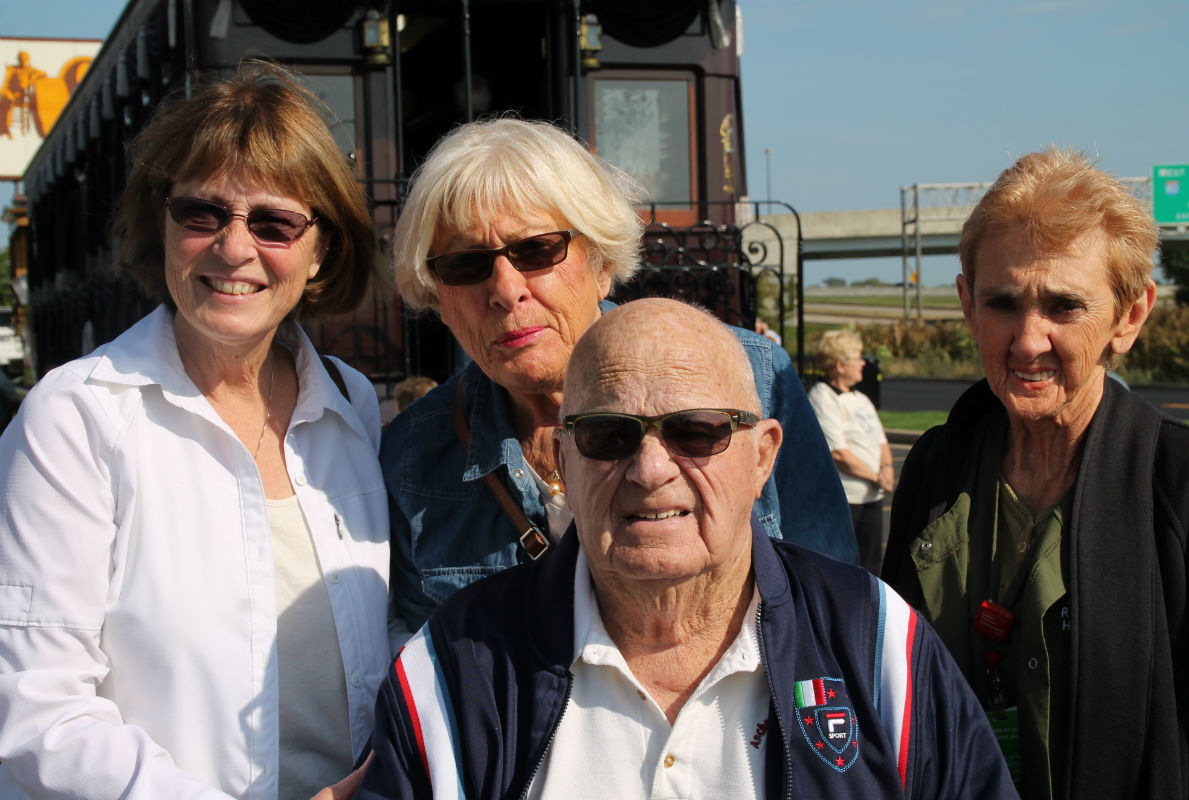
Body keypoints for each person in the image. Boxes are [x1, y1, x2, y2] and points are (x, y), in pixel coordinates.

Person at [355, 298, 1017, 799]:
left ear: (764, 458)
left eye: (696, 432)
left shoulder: (879, 649)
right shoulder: (455, 671)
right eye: (609, 435)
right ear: (563, 458)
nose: (650, 470)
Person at [0, 62, 393, 799]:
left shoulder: (352, 407)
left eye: (274, 222)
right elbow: (33, 708)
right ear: (165, 224)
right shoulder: (78, 419)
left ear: (321, 253)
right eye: (203, 213)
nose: (234, 248)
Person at [383, 117, 856, 632]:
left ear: (602, 262)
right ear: (437, 297)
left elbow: (834, 611)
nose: (505, 289)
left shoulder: (753, 380)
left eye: (537, 249)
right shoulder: (415, 458)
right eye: (465, 263)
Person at [881, 147, 1189, 799]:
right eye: (1003, 303)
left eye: (1063, 307)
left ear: (1130, 315)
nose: (1027, 340)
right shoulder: (937, 471)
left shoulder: (1181, 484)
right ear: (968, 305)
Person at [808, 329, 893, 574]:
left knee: (872, 566)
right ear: (840, 365)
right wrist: (877, 477)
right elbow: (839, 454)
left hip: (871, 497)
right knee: (841, 568)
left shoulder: (861, 399)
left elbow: (881, 441)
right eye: (857, 357)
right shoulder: (822, 397)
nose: (863, 363)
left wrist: (887, 469)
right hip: (845, 500)